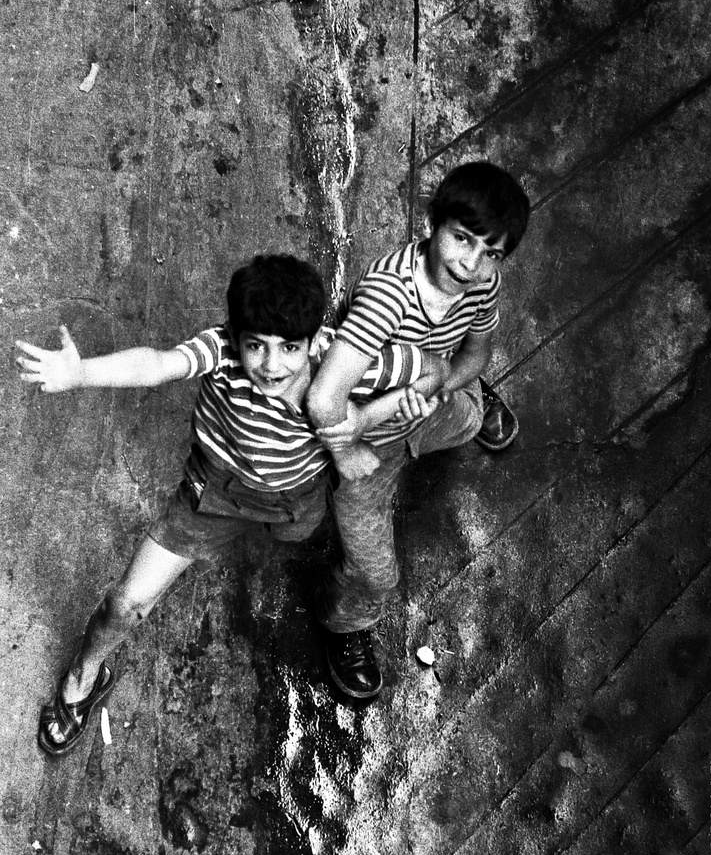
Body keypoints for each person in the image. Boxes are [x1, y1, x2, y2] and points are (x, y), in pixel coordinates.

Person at [16, 254, 447, 755]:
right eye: (255, 346)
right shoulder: (217, 350)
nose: (271, 365)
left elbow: (434, 369)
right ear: (234, 337)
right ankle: (82, 678)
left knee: (299, 539)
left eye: (289, 348)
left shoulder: (341, 360)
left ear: (314, 342)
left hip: (296, 501)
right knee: (125, 604)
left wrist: (371, 416)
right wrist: (81, 374)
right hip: (211, 498)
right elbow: (156, 364)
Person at [307, 160, 530, 699]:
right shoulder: (387, 296)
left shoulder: (482, 282)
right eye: (462, 239)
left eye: (490, 252)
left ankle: (472, 400)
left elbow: (477, 351)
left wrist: (445, 382)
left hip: (431, 397)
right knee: (375, 578)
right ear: (433, 223)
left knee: (469, 412)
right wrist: (347, 451)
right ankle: (344, 623)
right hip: (369, 437)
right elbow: (323, 399)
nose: (471, 263)